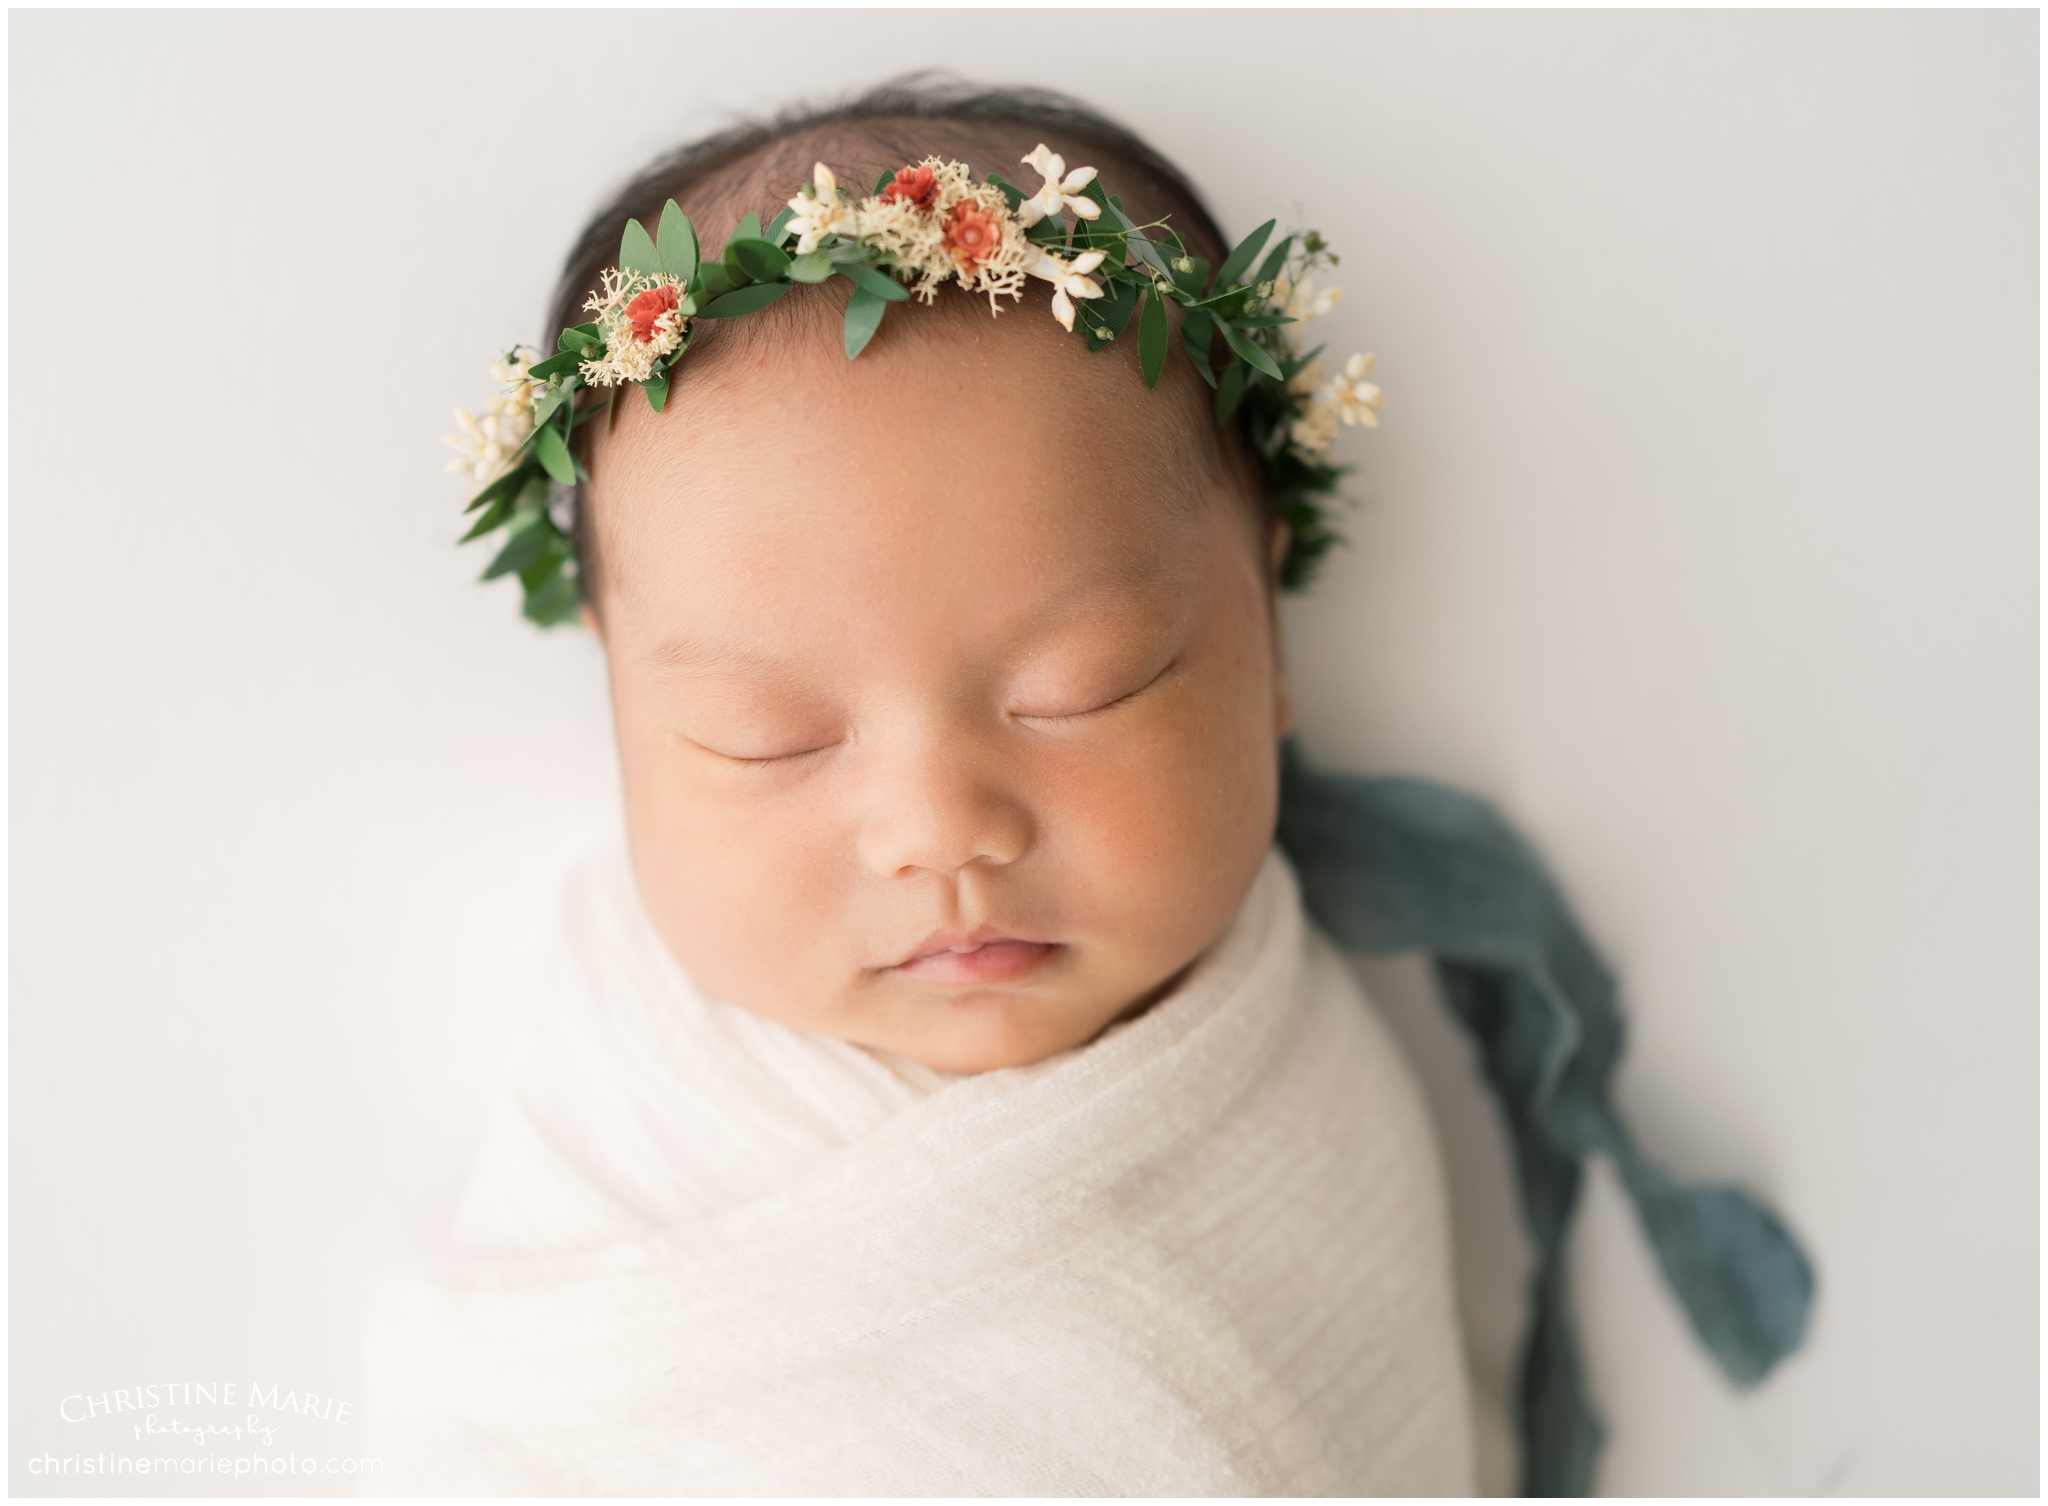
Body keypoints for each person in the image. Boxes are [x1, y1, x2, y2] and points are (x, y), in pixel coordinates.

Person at [371, 77, 1809, 1497]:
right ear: (619, 700)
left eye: (1083, 688)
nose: (939, 828)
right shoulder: (625, 1099)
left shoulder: (1314, 1133)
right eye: (767, 734)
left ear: (1269, 637)